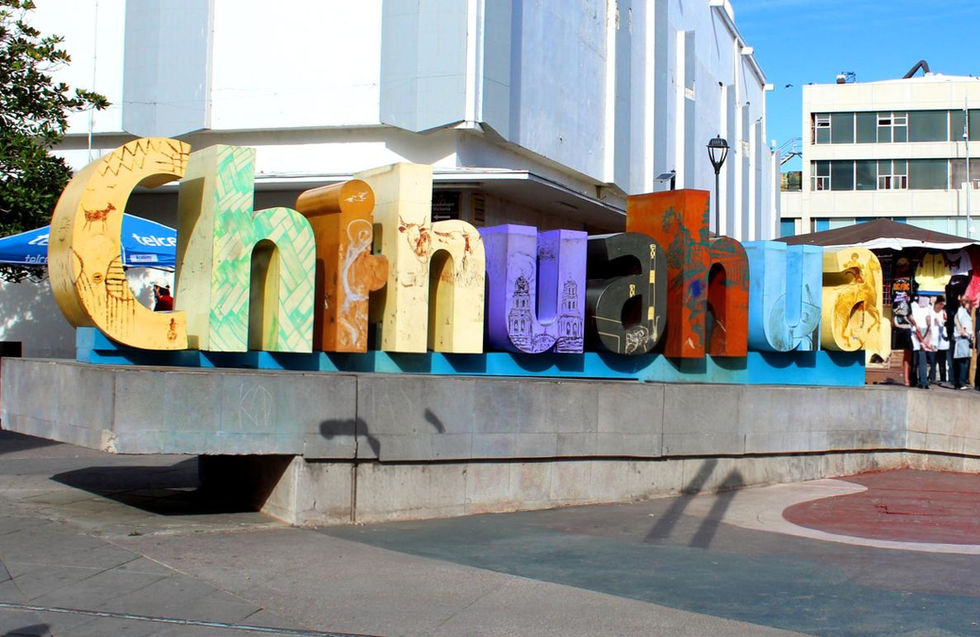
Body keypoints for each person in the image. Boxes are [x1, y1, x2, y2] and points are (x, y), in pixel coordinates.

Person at [908, 295, 933, 389]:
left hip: (922, 331)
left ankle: (922, 380)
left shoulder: (928, 306)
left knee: (921, 358)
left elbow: (928, 319)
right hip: (917, 332)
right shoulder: (913, 305)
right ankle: (919, 381)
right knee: (917, 359)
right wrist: (916, 325)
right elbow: (910, 316)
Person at [953, 294, 974, 389]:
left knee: (965, 361)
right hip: (962, 338)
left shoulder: (968, 312)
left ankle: (961, 382)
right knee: (963, 361)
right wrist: (964, 332)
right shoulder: (961, 311)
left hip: (968, 338)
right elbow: (960, 324)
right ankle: (961, 383)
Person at [931, 295, 949, 386]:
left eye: (942, 305)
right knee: (932, 361)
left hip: (942, 342)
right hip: (932, 341)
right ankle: (932, 378)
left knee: (942, 362)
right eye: (940, 304)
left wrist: (941, 324)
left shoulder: (944, 313)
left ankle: (943, 379)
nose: (941, 306)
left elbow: (946, 325)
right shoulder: (931, 312)